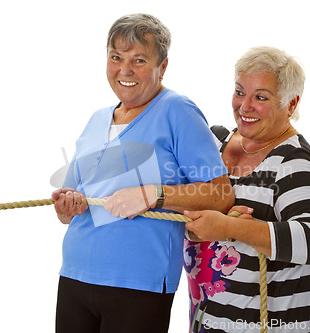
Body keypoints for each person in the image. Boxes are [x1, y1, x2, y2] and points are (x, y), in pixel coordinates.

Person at [51, 14, 234, 333]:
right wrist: (68, 205)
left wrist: (153, 195)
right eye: (116, 57)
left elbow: (220, 195)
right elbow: (70, 209)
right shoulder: (96, 119)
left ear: (162, 67)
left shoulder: (178, 111)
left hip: (139, 285)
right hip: (75, 276)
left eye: (138, 59)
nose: (124, 70)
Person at [183, 46, 310, 332]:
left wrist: (233, 228)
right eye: (240, 92)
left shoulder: (291, 161)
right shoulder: (215, 142)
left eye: (261, 97)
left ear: (290, 104)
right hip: (207, 320)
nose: (245, 106)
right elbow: (175, 198)